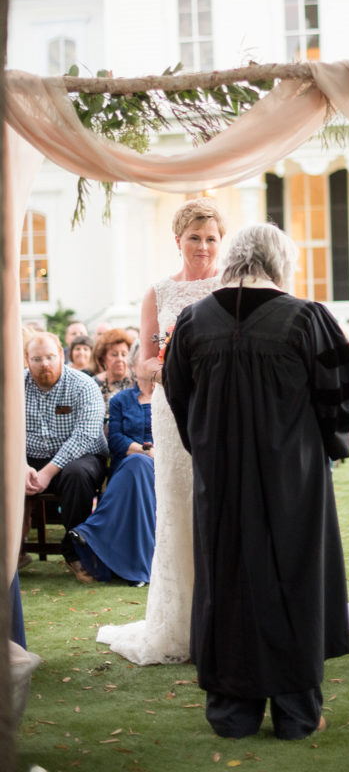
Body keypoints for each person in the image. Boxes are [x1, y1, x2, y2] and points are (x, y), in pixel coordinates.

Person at [163, 223, 349, 740]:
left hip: (220, 479)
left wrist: (212, 446)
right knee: (292, 579)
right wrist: (320, 438)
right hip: (291, 481)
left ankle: (231, 714)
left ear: (232, 259)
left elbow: (177, 393)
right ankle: (297, 715)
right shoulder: (305, 317)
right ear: (281, 262)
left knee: (225, 579)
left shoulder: (194, 321)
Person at [97, 197, 226, 664]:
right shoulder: (158, 292)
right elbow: (144, 363)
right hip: (174, 412)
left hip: (223, 409)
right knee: (178, 503)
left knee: (222, 503)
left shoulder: (230, 285)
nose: (203, 246)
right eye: (194, 237)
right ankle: (180, 622)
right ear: (178, 241)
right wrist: (173, 362)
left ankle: (226, 617)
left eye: (211, 238)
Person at [68, 339, 156, 585]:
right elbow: (115, 438)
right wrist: (142, 450)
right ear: (134, 365)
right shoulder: (121, 400)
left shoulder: (167, 398)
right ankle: (136, 567)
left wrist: (155, 453)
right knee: (136, 465)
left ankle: (92, 530)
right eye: (144, 360)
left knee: (139, 467)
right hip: (127, 463)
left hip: (161, 465)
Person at [24, 331, 108, 583]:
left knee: (76, 474)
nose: (44, 364)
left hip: (81, 456)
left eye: (50, 357)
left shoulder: (84, 384)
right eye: (37, 359)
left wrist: (48, 471)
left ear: (62, 355)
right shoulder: (14, 385)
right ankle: (11, 551)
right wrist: (20, 465)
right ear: (26, 360)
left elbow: (85, 434)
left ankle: (75, 551)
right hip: (30, 457)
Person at [93, 328, 135, 420]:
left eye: (124, 354)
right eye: (114, 354)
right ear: (103, 357)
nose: (120, 359)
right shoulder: (93, 385)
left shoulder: (138, 382)